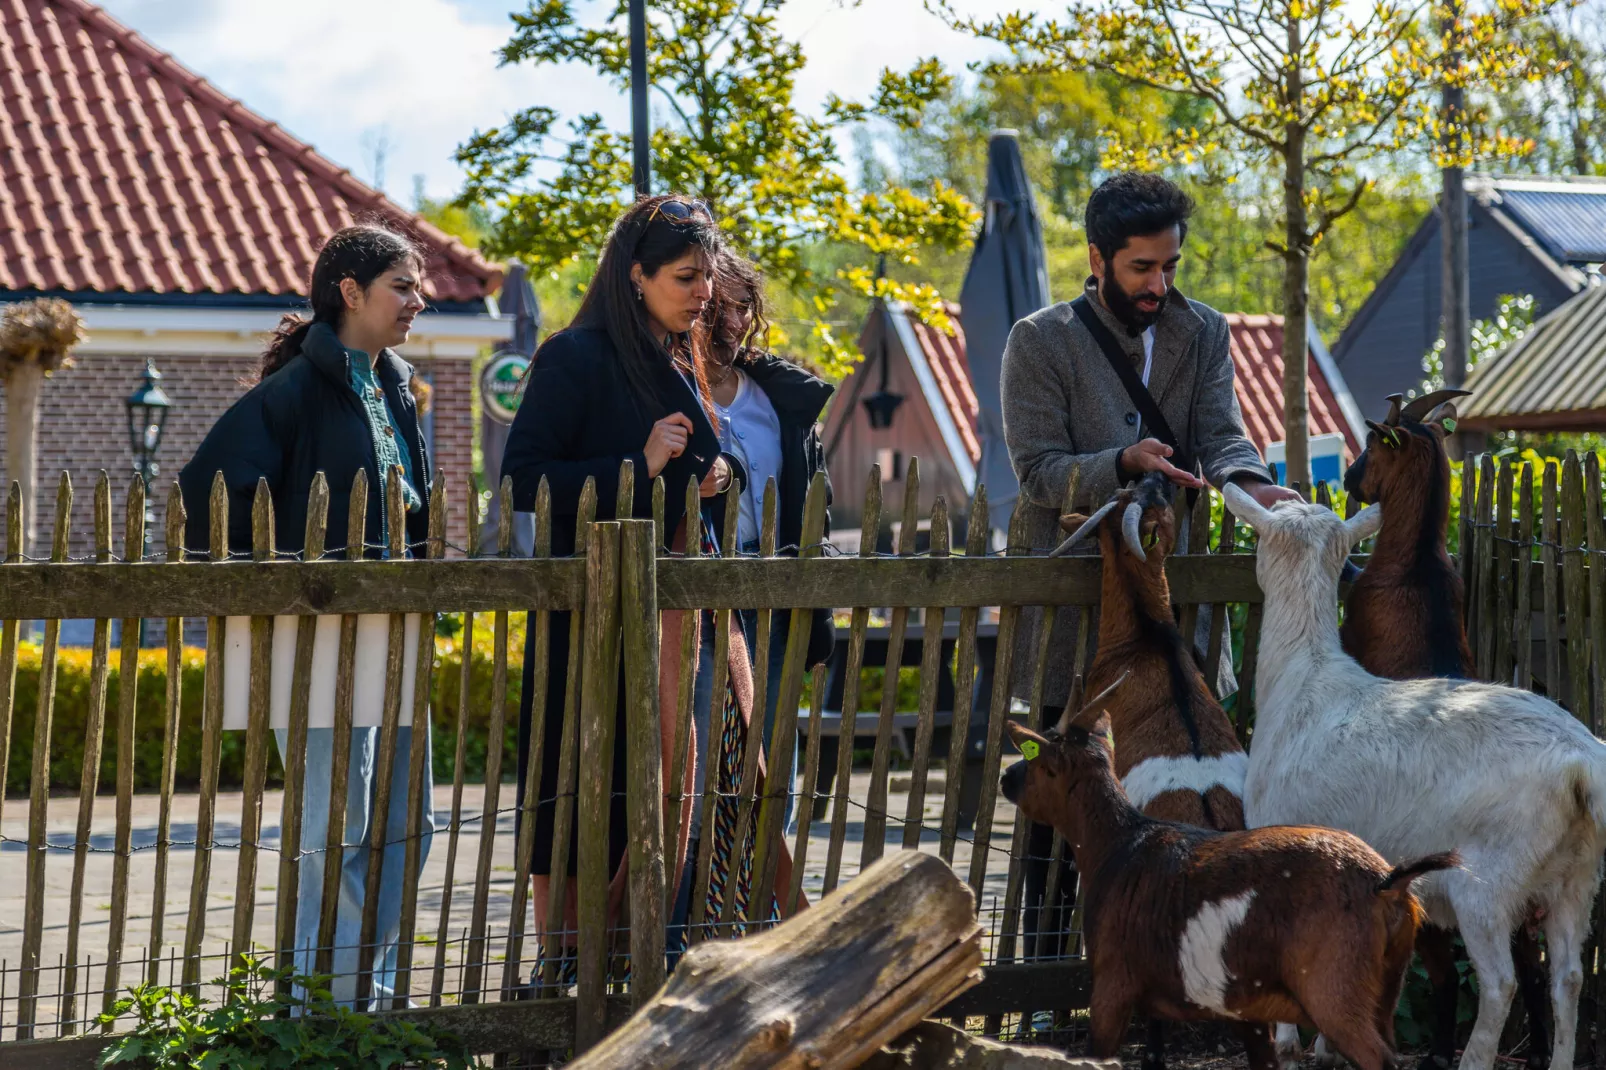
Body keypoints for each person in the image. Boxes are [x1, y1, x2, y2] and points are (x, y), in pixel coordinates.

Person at [999, 173, 1302, 976]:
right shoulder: (1039, 341)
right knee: (1065, 798)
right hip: (1075, 610)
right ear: (1097, 258)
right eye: (1140, 268)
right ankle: (1045, 975)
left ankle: (1184, 976)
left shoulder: (1203, 329)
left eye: (1169, 265)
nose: (1159, 285)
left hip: (1170, 608)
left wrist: (1247, 481)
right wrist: (1119, 464)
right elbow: (1037, 473)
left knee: (1186, 803)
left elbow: (1222, 433)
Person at [501, 196, 800, 980]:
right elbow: (524, 481)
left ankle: (679, 965)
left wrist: (713, 472)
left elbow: (693, 474)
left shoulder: (676, 356)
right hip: (596, 630)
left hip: (687, 626)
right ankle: (581, 978)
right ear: (635, 276)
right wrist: (640, 466)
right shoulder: (574, 357)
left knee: (697, 791)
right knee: (598, 800)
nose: (703, 291)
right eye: (684, 276)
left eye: (707, 276)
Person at [178, 223, 436, 1007]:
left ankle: (366, 992)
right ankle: (316, 1006)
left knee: (410, 827)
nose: (417, 301)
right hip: (316, 639)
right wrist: (291, 578)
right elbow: (204, 499)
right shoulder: (288, 394)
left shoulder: (399, 386)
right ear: (350, 293)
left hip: (397, 633)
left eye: (418, 287)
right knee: (337, 830)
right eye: (401, 286)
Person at [698, 250, 837, 838]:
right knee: (705, 747)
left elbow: (815, 499)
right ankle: (695, 897)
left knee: (775, 746)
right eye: (717, 307)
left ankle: (762, 893)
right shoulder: (667, 389)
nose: (731, 321)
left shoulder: (780, 398)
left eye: (742, 306)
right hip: (702, 597)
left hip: (777, 593)